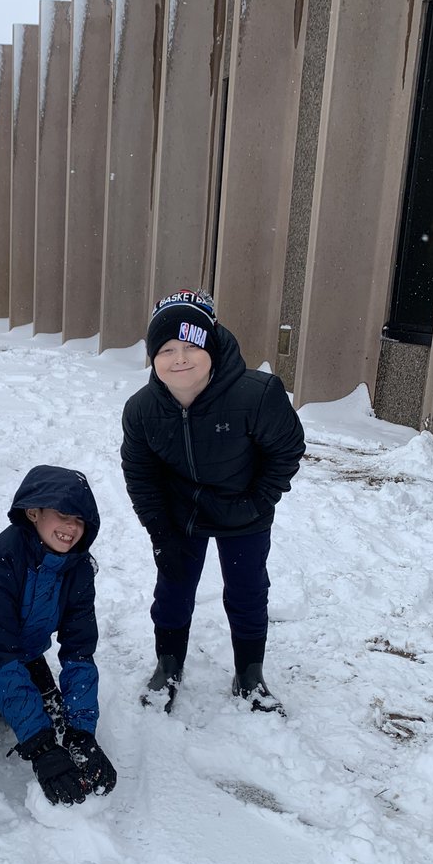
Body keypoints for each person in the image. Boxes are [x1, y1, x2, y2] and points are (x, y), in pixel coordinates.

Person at [121, 288, 306, 714]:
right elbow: (140, 473)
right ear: (153, 356)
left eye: (190, 346)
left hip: (244, 512)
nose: (179, 359)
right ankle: (168, 666)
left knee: (247, 592)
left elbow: (286, 449)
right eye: (166, 349)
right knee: (172, 591)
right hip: (180, 516)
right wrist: (160, 529)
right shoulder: (143, 409)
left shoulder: (255, 394)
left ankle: (249, 674)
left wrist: (259, 502)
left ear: (211, 345)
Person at [0, 465, 117, 806]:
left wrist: (83, 733)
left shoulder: (77, 569)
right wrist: (41, 748)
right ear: (34, 513)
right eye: (63, 515)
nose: (71, 528)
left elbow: (79, 651)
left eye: (80, 521)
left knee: (59, 721)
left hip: (21, 650)